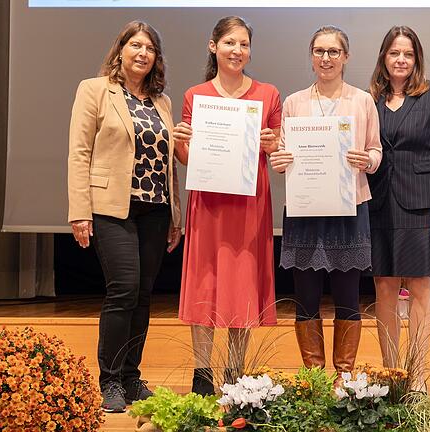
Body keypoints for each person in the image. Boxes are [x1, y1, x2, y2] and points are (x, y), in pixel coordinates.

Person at [67, 20, 182, 412]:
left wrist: (175, 215)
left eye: (149, 48)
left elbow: (170, 165)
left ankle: (132, 378)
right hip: (111, 208)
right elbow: (79, 152)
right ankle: (110, 380)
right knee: (123, 289)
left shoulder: (161, 102)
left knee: (144, 295)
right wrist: (79, 211)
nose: (142, 53)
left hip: (155, 209)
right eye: (135, 45)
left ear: (156, 58)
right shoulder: (94, 90)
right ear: (120, 50)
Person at [173, 16, 281, 395]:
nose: (238, 51)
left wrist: (272, 145)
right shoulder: (195, 95)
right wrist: (180, 141)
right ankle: (202, 377)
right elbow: (188, 158)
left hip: (249, 205)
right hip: (209, 205)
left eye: (244, 44)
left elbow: (278, 151)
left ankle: (235, 375)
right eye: (231, 43)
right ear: (213, 46)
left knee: (242, 284)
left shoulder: (268, 94)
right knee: (205, 282)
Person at [269, 25, 381, 382]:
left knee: (348, 296)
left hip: (350, 209)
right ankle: (315, 378)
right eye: (319, 51)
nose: (326, 58)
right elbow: (283, 151)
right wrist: (279, 159)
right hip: (305, 210)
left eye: (333, 51)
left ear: (346, 57)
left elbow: (376, 149)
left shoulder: (362, 100)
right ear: (311, 56)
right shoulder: (294, 102)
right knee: (306, 298)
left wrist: (369, 160)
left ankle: (344, 378)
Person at [367, 25, 430, 390]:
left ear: (416, 58)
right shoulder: (369, 98)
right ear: (384, 59)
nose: (400, 59)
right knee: (384, 288)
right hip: (379, 204)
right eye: (394, 53)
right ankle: (392, 375)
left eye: (407, 54)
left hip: (422, 207)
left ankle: (417, 376)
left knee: (420, 289)